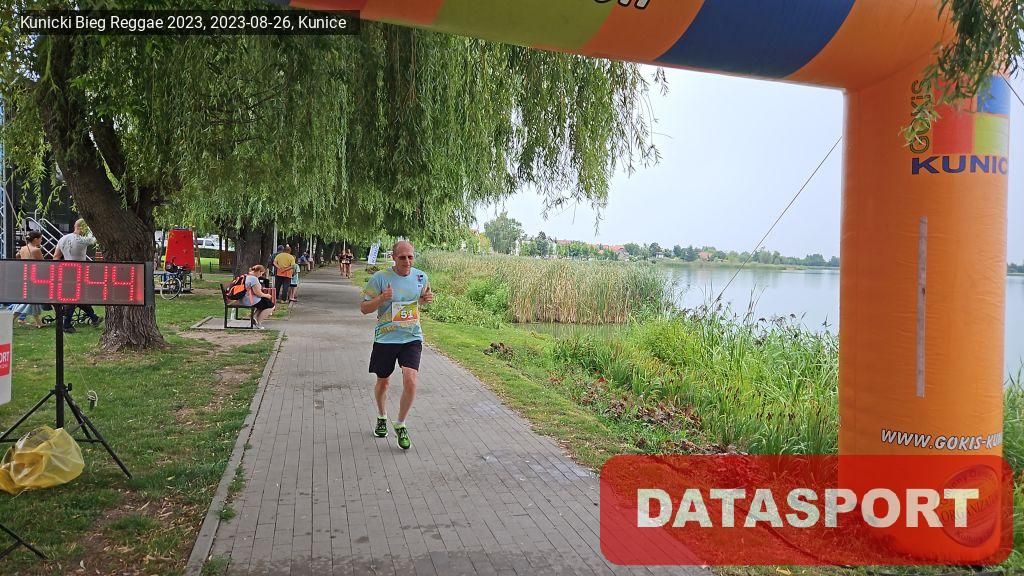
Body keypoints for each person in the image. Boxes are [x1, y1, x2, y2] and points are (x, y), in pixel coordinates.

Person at [360, 240, 434, 450]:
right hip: (386, 338)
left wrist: (426, 299)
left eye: (410, 256)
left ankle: (401, 423)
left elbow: (418, 300)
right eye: (402, 257)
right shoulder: (380, 278)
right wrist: (382, 298)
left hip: (411, 336)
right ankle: (382, 416)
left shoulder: (421, 277)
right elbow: (364, 308)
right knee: (383, 382)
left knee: (411, 380)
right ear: (393, 257)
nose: (407, 261)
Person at [53, 219, 102, 333]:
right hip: (78, 272)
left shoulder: (63, 238)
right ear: (83, 227)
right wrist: (90, 228)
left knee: (78, 297)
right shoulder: (82, 240)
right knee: (73, 299)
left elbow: (56, 256)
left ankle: (94, 318)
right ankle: (66, 325)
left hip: (66, 271)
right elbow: (94, 239)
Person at [10, 232, 47, 328]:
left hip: (25, 275)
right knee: (30, 300)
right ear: (35, 239)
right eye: (40, 238)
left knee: (31, 300)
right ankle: (11, 319)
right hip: (33, 277)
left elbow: (17, 256)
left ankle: (38, 322)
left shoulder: (23, 248)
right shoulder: (36, 250)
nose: (41, 240)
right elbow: (44, 264)